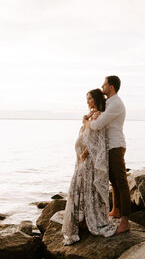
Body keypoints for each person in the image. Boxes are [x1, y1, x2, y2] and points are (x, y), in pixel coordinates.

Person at [50, 88, 117, 245]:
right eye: (87, 99)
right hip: (84, 161)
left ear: (96, 99)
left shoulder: (99, 115)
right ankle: (83, 218)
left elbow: (98, 139)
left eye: (90, 99)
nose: (87, 101)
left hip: (90, 161)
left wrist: (86, 152)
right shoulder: (90, 116)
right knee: (81, 187)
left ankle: (86, 219)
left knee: (83, 187)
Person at [83, 76, 131, 234]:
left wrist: (86, 123)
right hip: (109, 147)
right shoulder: (108, 103)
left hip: (116, 146)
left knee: (122, 182)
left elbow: (97, 125)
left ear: (111, 87)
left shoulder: (116, 104)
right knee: (114, 181)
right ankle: (116, 210)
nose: (101, 87)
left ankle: (125, 221)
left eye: (103, 84)